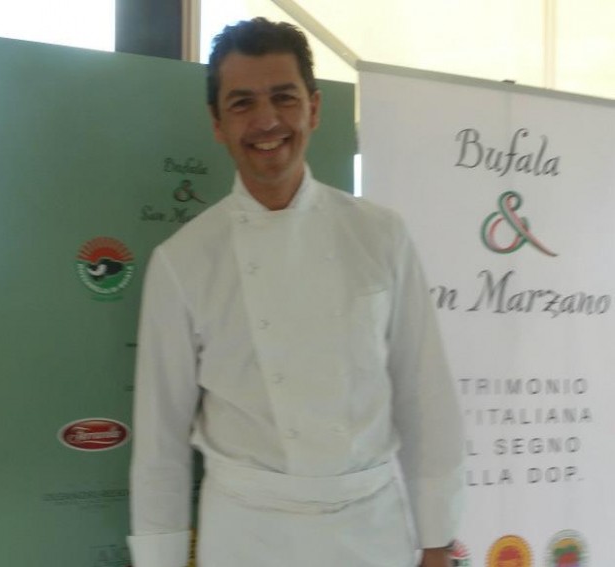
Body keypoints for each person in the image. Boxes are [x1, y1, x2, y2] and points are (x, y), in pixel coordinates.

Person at [128, 17, 463, 567]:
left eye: (284, 97)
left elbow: (424, 396)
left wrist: (438, 540)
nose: (266, 120)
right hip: (246, 536)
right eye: (242, 103)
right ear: (217, 123)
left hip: (370, 530)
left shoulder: (381, 236)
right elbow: (159, 445)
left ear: (314, 108)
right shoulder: (182, 262)